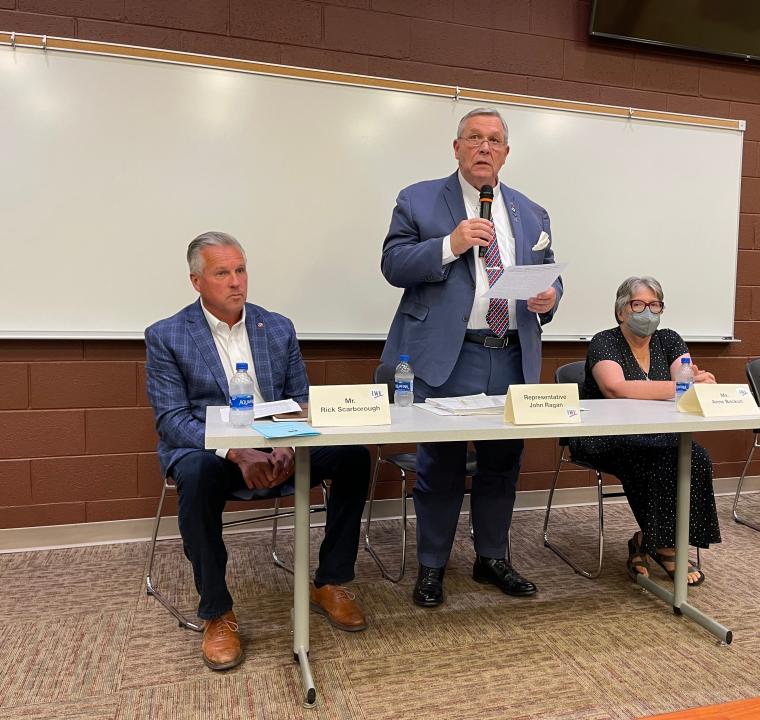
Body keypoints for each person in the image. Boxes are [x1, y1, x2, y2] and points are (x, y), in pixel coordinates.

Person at [145, 231, 370, 671]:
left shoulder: (277, 327)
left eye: (241, 270)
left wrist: (286, 444)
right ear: (196, 281)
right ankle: (216, 612)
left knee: (352, 457)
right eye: (222, 273)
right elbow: (172, 419)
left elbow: (300, 400)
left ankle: (329, 581)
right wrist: (235, 453)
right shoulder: (167, 336)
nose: (236, 282)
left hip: (279, 448)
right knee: (194, 474)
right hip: (215, 457)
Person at [381, 107, 563, 607]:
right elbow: (393, 265)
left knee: (502, 463)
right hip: (447, 355)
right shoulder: (418, 199)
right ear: (456, 147)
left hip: (509, 352)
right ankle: (433, 565)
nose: (485, 147)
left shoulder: (531, 211)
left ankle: (492, 558)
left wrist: (550, 297)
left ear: (506, 152)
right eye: (475, 138)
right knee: (439, 464)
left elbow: (549, 272)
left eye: (495, 140)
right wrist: (449, 244)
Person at [568, 276, 721, 586]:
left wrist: (698, 381)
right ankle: (665, 548)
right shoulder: (605, 341)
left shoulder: (669, 339)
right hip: (604, 436)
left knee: (696, 457)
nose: (648, 312)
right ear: (622, 310)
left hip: (657, 434)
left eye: (655, 305)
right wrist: (680, 386)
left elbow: (687, 374)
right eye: (639, 304)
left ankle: (647, 540)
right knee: (658, 458)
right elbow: (615, 388)